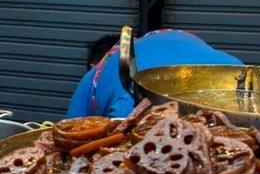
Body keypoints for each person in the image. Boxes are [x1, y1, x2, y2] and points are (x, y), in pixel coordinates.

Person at [65, 28, 242, 119]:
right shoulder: (165, 39)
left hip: (152, 110)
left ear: (92, 64)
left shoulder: (93, 80)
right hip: (238, 78)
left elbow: (67, 136)